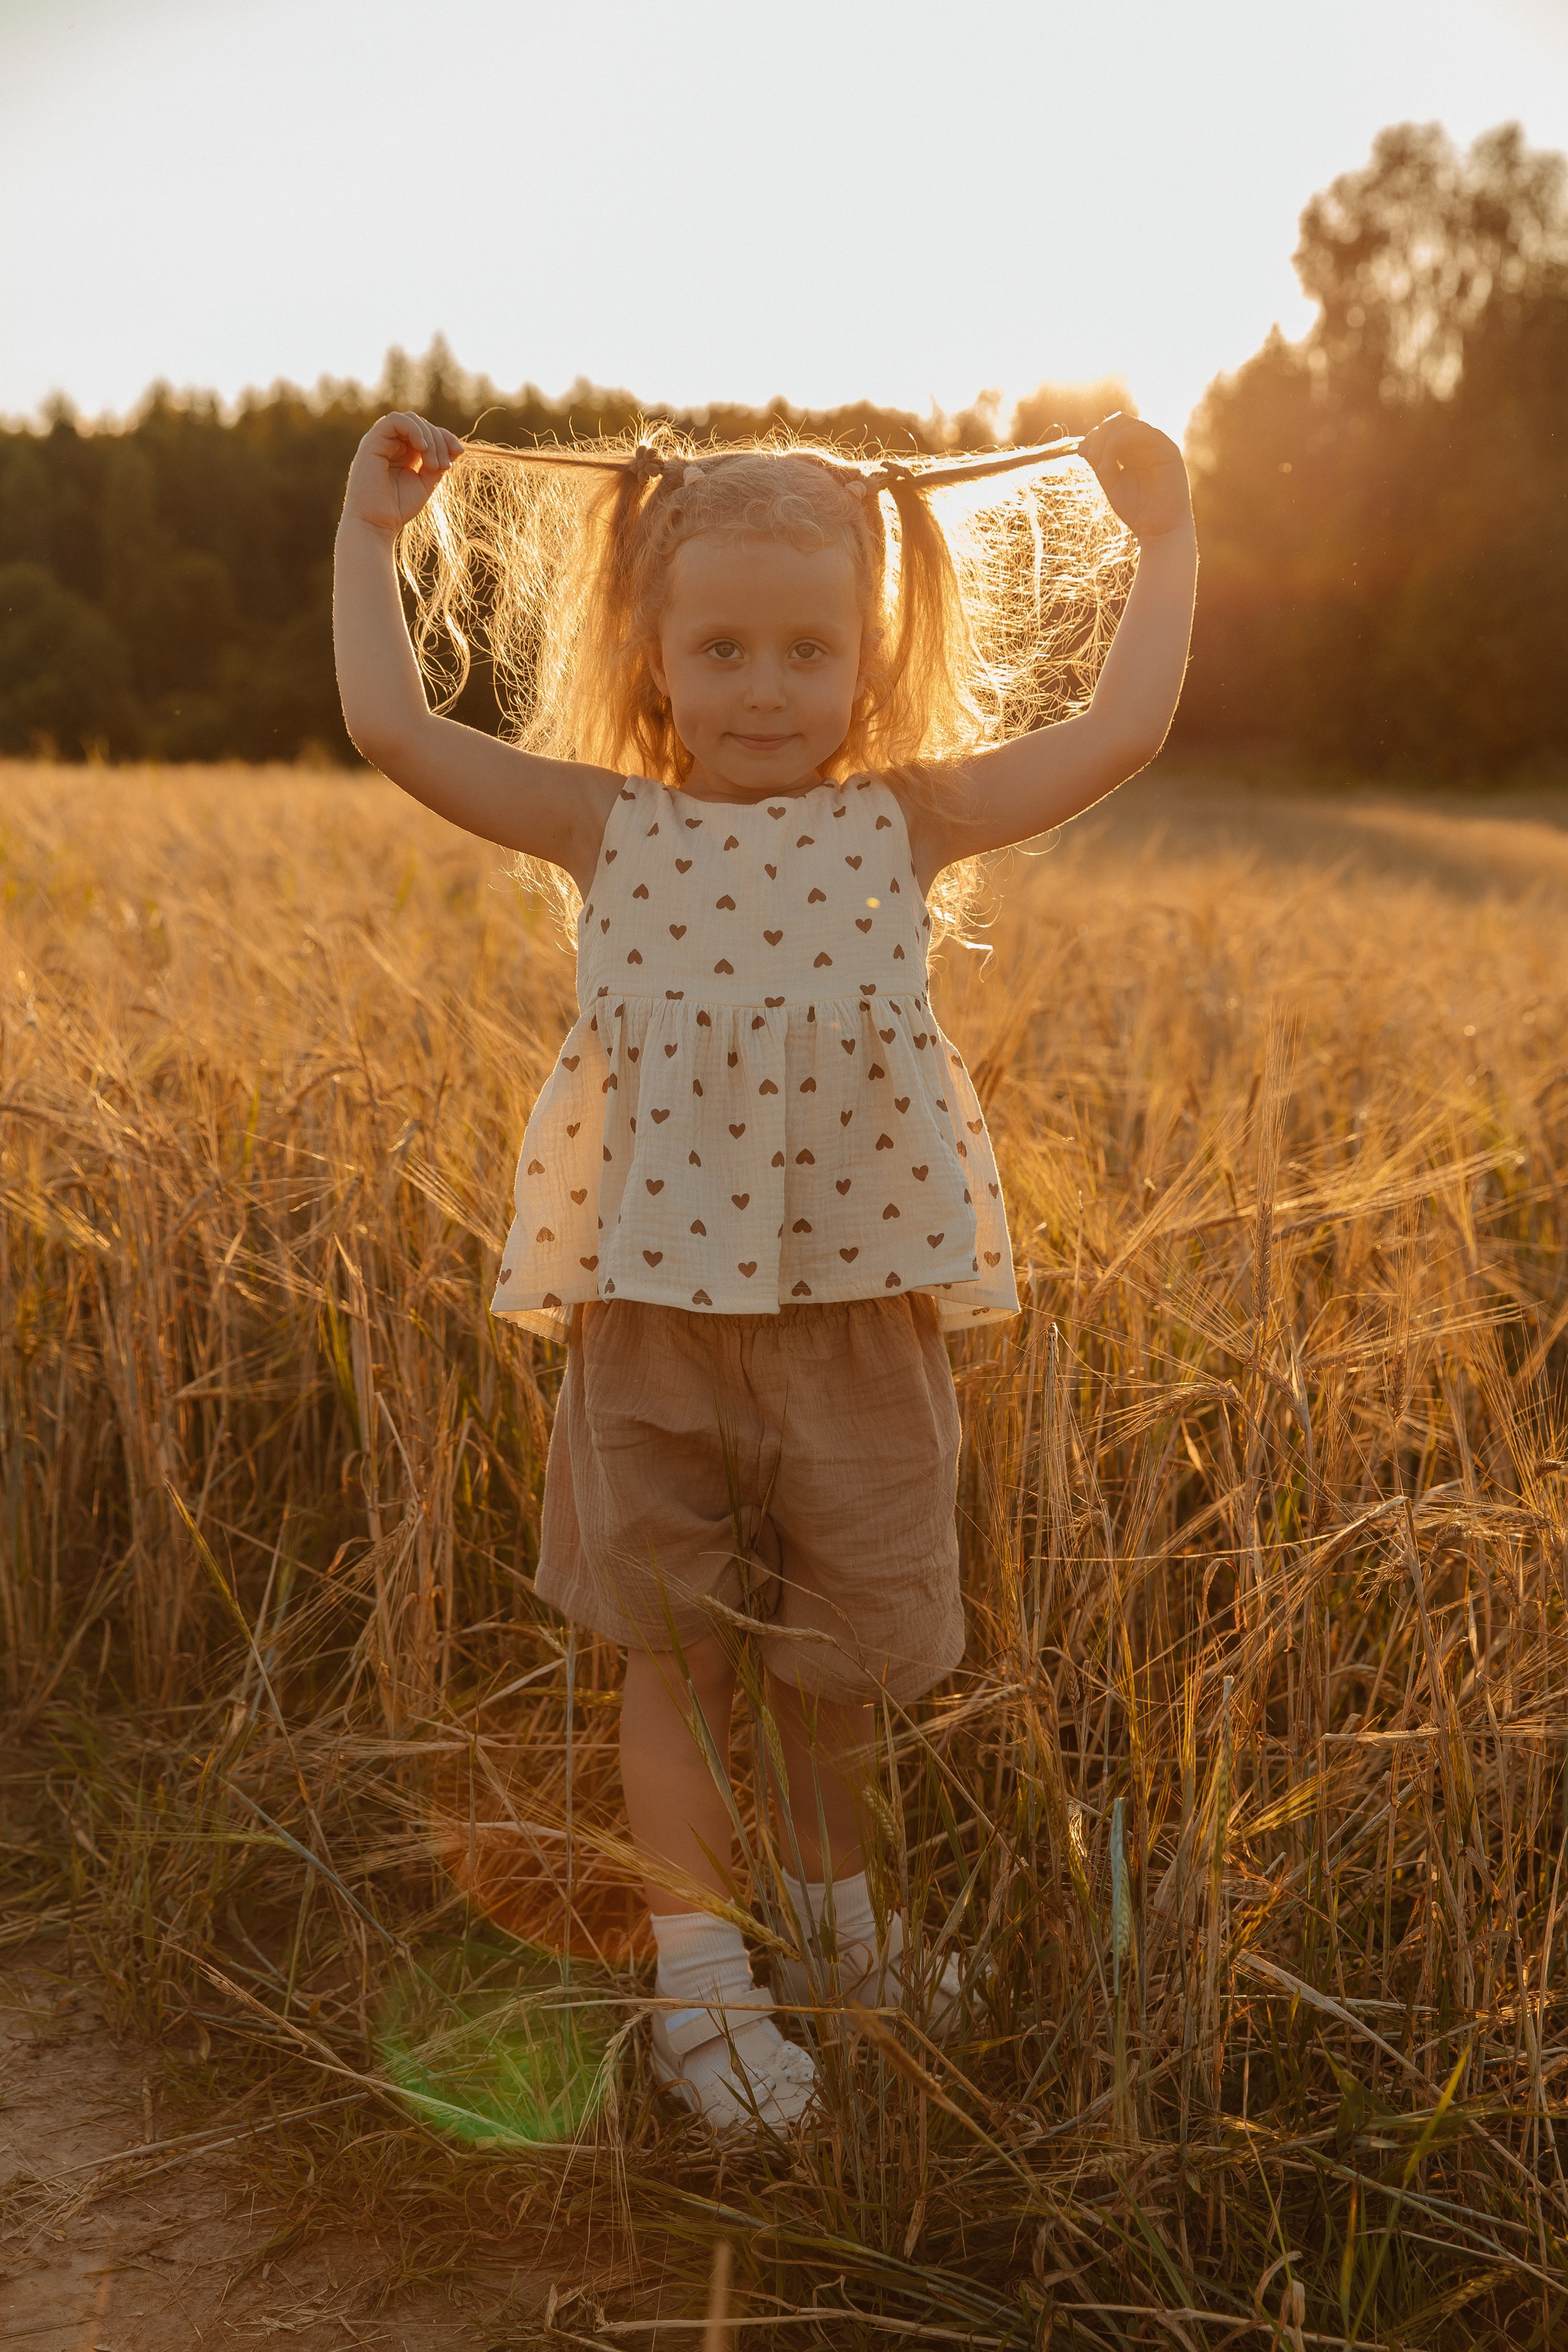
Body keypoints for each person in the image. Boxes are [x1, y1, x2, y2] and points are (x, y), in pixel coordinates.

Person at [334, 408, 1196, 2135]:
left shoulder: (905, 825)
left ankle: (838, 1935)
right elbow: (390, 725)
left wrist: (1168, 548)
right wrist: (370, 542)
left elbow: (1116, 731)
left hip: (859, 1324)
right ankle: (699, 1989)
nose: (764, 686)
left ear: (868, 667)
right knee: (677, 1656)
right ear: (652, 659)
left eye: (810, 649)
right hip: (653, 1317)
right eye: (720, 646)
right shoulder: (608, 830)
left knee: (839, 1669)